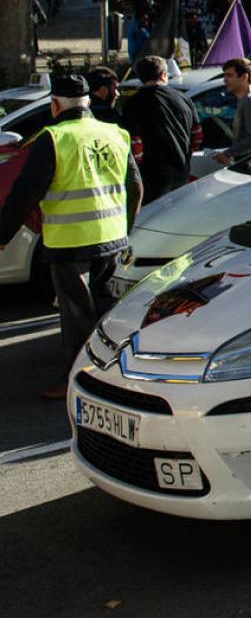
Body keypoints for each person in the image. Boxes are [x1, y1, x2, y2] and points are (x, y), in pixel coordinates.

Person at [0, 74, 142, 397]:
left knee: (77, 313)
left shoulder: (53, 137)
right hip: (111, 237)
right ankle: (114, 373)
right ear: (88, 103)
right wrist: (125, 227)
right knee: (105, 309)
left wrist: (3, 232)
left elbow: (25, 194)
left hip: (69, 241)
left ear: (54, 105)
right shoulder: (115, 133)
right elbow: (136, 186)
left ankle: (77, 381)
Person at [122, 55, 195, 203]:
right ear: (163, 75)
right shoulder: (183, 98)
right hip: (182, 171)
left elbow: (135, 143)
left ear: (140, 77)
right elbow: (197, 135)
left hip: (151, 176)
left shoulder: (133, 104)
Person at [213, 57, 251, 165]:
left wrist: (227, 154)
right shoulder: (245, 99)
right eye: (225, 75)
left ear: (244, 77)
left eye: (229, 75)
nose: (225, 80)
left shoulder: (250, 101)